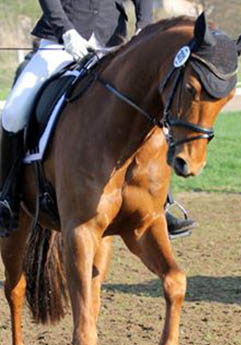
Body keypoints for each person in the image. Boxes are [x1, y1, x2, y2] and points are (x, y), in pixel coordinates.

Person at [0, 0, 195, 238]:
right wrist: (66, 31)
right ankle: (8, 197)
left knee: (149, 112)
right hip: (61, 43)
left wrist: (144, 26)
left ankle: (160, 203)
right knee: (12, 114)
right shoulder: (63, 36)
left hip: (113, 44)